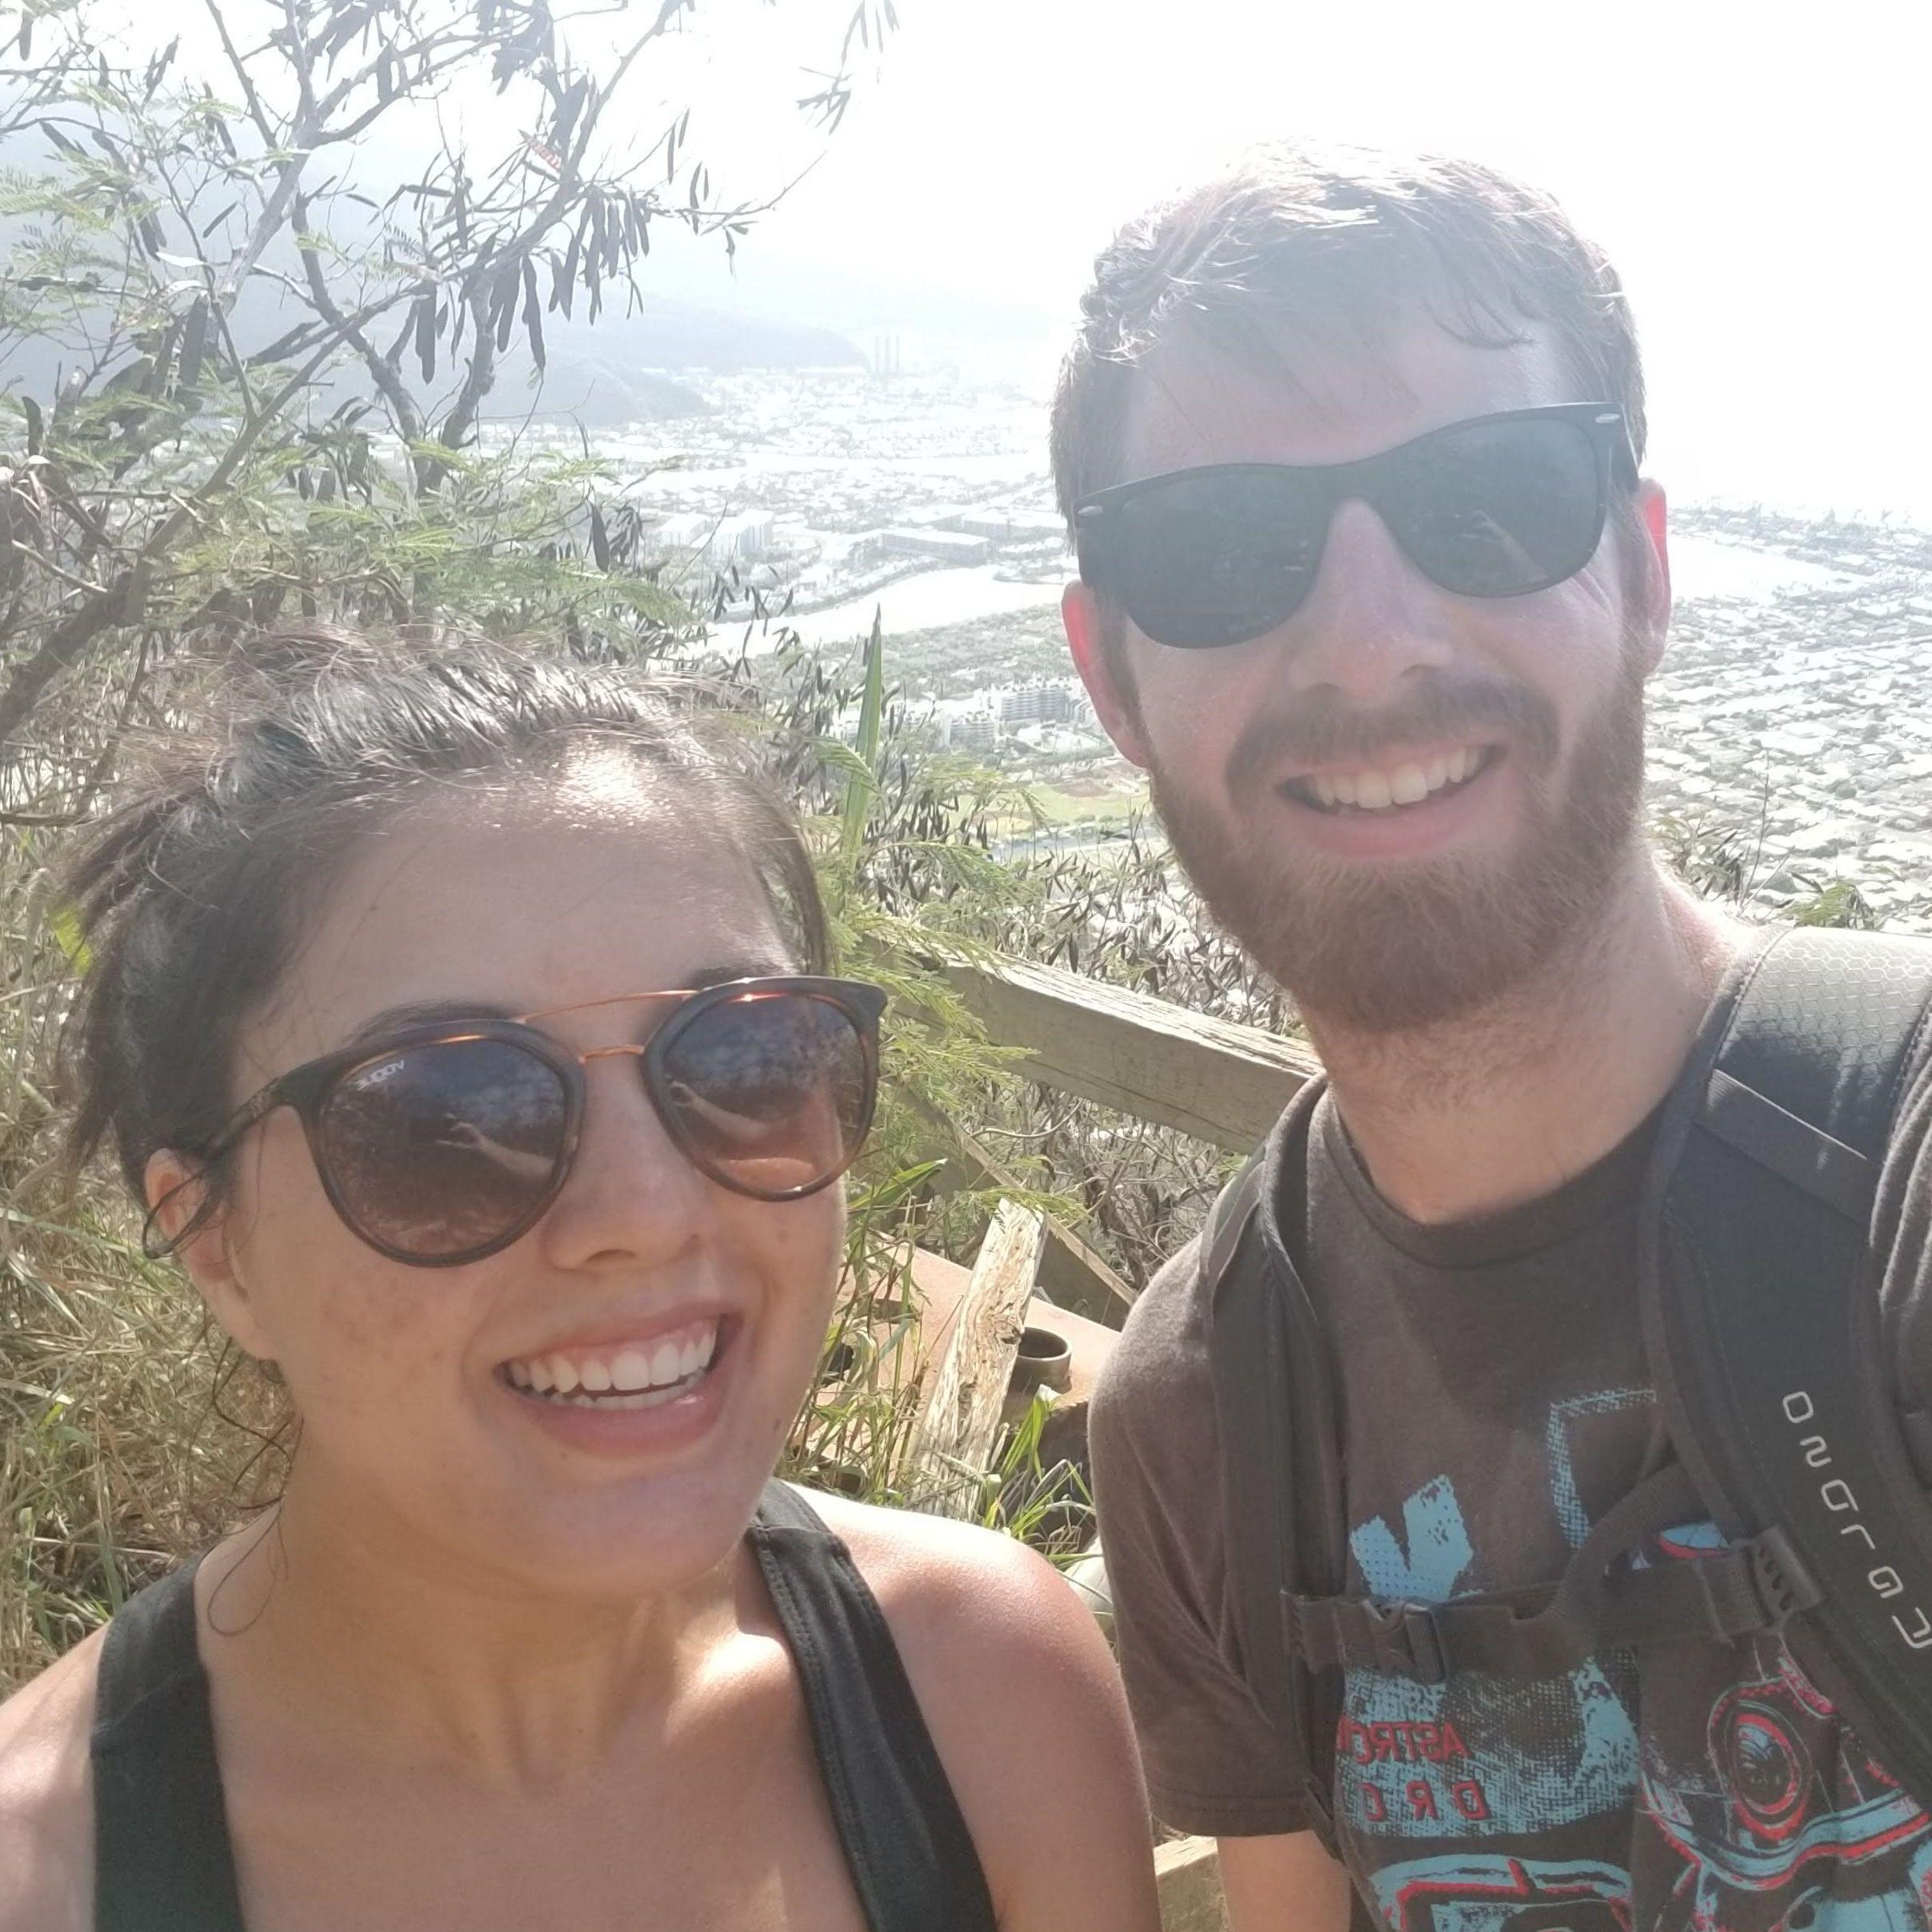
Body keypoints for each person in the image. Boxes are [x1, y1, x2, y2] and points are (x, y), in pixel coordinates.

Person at [1059, 145, 1932, 1932]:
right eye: (1225, 551)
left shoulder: (1896, 1182)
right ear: (1107, 675)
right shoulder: (1205, 1404)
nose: (1369, 645)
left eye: (1486, 502)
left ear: (1638, 570)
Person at [0, 635, 1160, 1932]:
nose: (647, 1214)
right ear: (217, 1246)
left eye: (746, 1057)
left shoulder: (983, 1696)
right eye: (443, 1117)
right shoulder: (49, 1872)